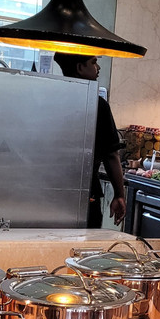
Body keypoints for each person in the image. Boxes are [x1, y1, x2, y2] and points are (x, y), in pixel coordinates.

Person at [53, 53, 126, 228]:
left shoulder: (51, 100)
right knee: (84, 242)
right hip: (85, 194)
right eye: (94, 63)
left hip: (50, 193)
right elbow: (111, 155)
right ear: (80, 68)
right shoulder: (97, 105)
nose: (98, 68)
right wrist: (119, 194)